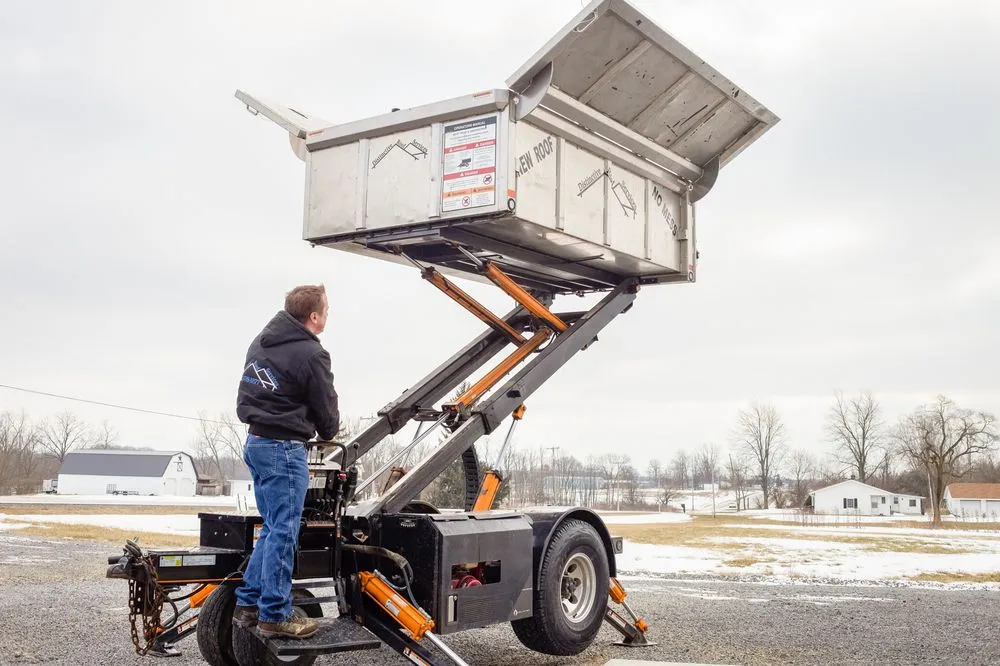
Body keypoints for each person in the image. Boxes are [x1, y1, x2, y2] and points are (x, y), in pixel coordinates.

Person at [232, 284, 340, 639]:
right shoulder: (312, 354)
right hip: (283, 448)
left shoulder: (261, 342)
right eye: (326, 310)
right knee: (284, 530)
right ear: (314, 316)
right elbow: (326, 408)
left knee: (272, 527)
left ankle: (249, 603)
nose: (328, 315)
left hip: (256, 443)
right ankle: (275, 614)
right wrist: (328, 430)